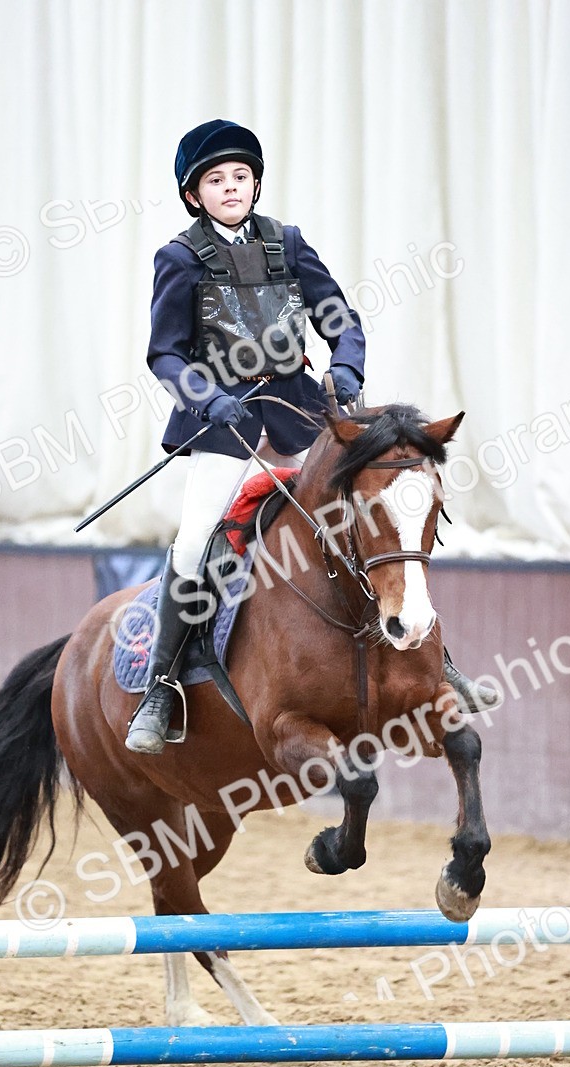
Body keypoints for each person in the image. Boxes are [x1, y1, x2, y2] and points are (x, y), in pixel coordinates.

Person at [126, 119, 495, 754]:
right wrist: (205, 397)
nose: (231, 188)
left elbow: (338, 317)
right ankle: (164, 685)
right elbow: (165, 354)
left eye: (241, 177)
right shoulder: (179, 259)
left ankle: (441, 660)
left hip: (298, 414)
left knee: (375, 514)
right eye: (216, 181)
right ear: (195, 195)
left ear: (256, 183)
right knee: (193, 546)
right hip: (226, 425)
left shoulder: (288, 244)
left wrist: (345, 361)